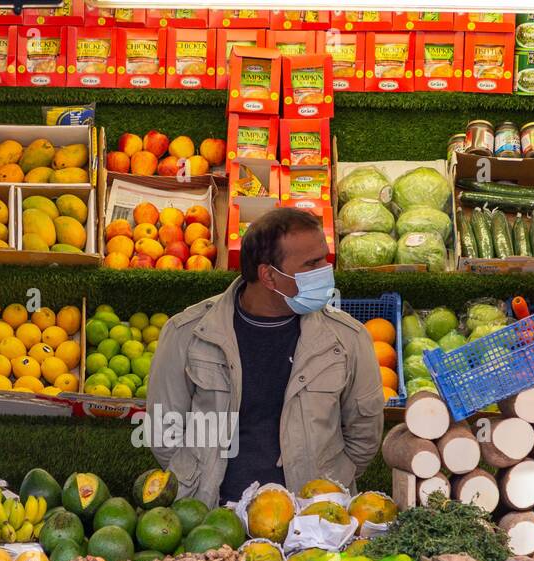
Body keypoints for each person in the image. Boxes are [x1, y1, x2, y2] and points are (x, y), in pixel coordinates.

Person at [146, 207, 384, 508]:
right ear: (268, 275)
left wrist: (326, 483)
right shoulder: (188, 333)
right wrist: (197, 485)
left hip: (311, 519)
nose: (326, 270)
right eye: (312, 263)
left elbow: (364, 436)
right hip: (213, 516)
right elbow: (163, 430)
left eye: (325, 258)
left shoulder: (348, 338)